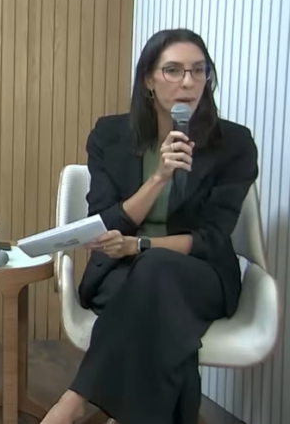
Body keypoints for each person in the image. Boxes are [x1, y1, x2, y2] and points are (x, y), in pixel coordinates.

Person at [42, 29, 259, 424]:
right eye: (173, 70)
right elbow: (104, 222)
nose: (188, 82)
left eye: (198, 70)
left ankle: (74, 403)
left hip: (199, 275)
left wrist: (140, 246)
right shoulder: (110, 135)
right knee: (167, 325)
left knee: (156, 272)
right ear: (148, 80)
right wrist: (159, 177)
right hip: (121, 271)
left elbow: (210, 240)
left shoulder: (234, 144)